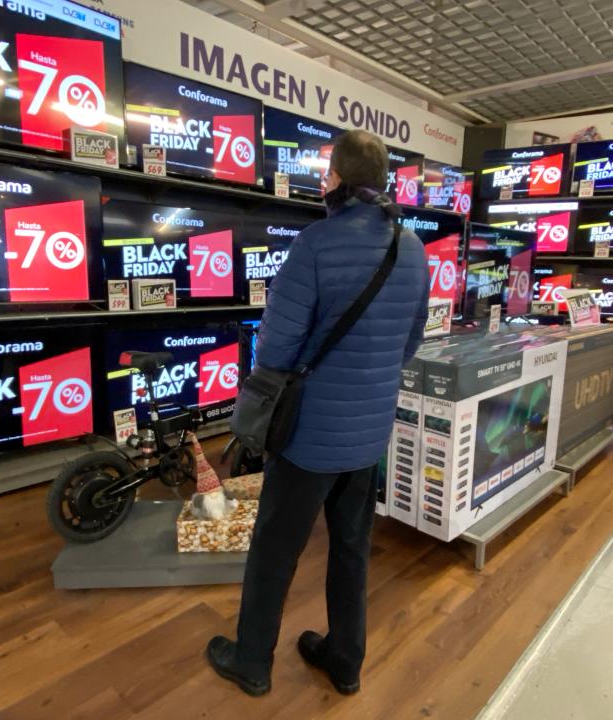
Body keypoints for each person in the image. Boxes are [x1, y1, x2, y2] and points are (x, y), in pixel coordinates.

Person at [206, 130, 430, 697]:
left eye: (327, 172)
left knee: (275, 549)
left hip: (309, 438)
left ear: (336, 179)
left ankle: (253, 660)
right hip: (368, 436)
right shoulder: (413, 248)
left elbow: (276, 351)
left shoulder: (315, 244)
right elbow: (409, 342)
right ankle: (345, 660)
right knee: (352, 550)